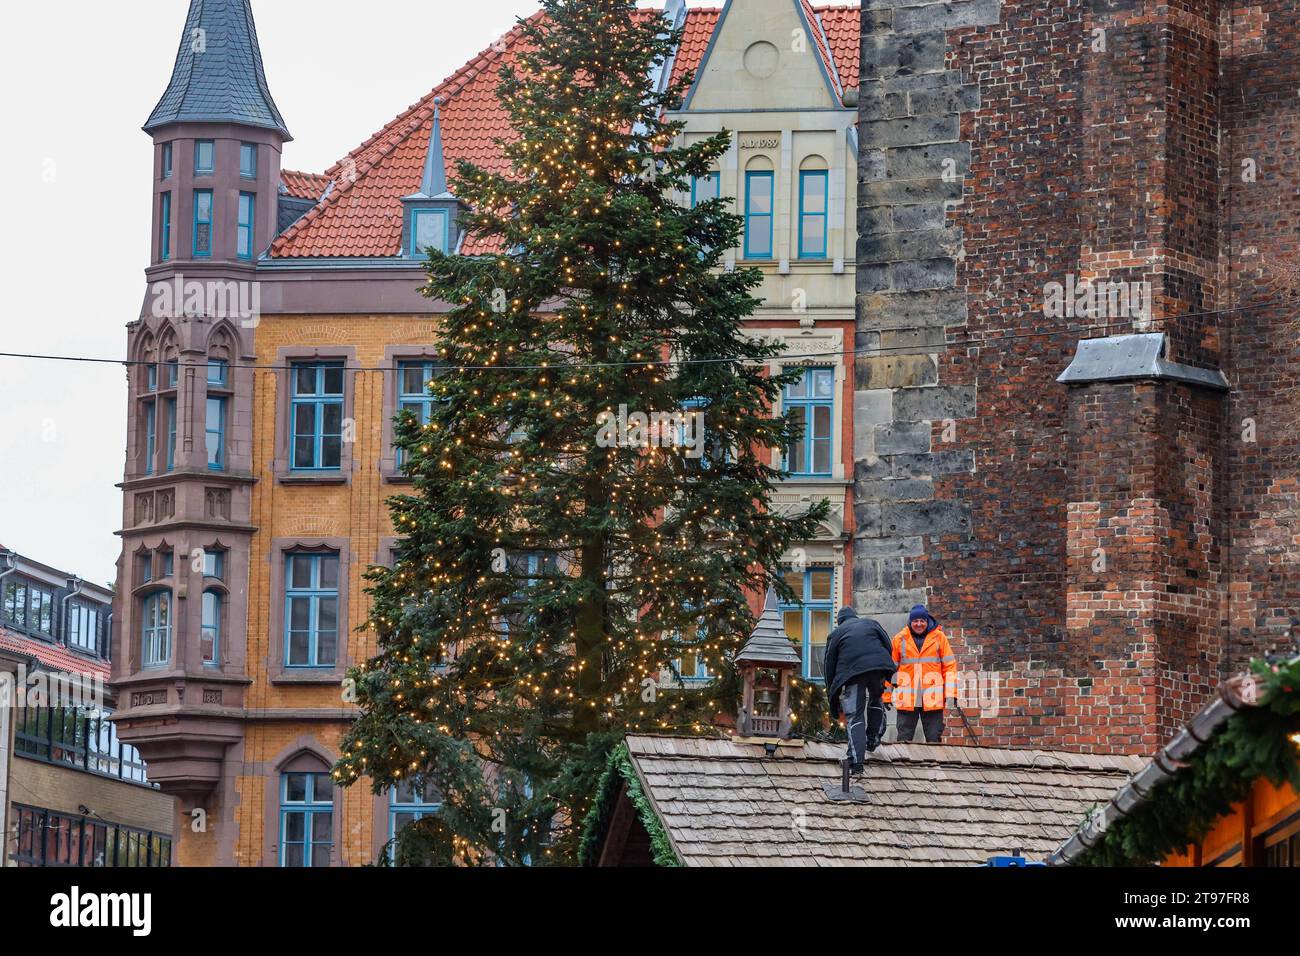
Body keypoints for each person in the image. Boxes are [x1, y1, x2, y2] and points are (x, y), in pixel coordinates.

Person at [823, 606, 896, 774]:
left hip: (853, 674)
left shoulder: (836, 634)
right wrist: (885, 669)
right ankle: (873, 739)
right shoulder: (871, 624)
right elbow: (887, 644)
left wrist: (832, 697)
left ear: (840, 621)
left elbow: (829, 666)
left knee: (855, 714)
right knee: (876, 699)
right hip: (878, 667)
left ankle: (856, 762)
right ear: (855, 616)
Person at [889, 604, 957, 743]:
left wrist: (951, 693)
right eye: (915, 621)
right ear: (910, 621)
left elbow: (949, 666)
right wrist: (885, 696)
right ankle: (903, 765)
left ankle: (934, 765)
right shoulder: (899, 639)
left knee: (933, 740)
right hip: (907, 699)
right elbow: (889, 670)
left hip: (932, 698)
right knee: (903, 741)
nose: (919, 624)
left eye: (922, 621)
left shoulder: (939, 638)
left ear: (927, 621)